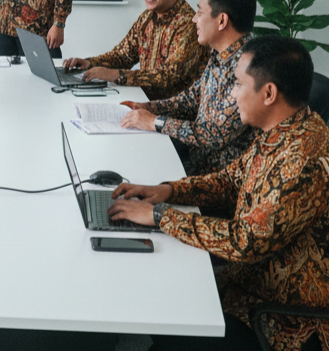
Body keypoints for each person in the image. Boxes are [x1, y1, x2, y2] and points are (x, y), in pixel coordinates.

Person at [108, 35, 329, 351]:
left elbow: (245, 242)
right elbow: (230, 180)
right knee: (156, 294)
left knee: (167, 317)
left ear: (269, 93)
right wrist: (167, 190)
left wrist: (159, 217)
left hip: (279, 316)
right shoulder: (286, 129)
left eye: (238, 84)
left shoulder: (302, 160)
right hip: (245, 282)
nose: (231, 93)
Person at [119, 0, 259, 175]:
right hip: (192, 158)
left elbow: (214, 135)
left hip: (214, 178)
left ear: (222, 21)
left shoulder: (248, 66)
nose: (194, 19)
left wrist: (155, 122)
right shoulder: (220, 52)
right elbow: (192, 98)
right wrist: (148, 107)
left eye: (200, 13)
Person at [62, 0, 208, 100]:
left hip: (174, 113)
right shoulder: (147, 17)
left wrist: (116, 75)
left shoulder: (190, 24)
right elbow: (123, 55)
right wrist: (90, 63)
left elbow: (168, 77)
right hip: (145, 102)